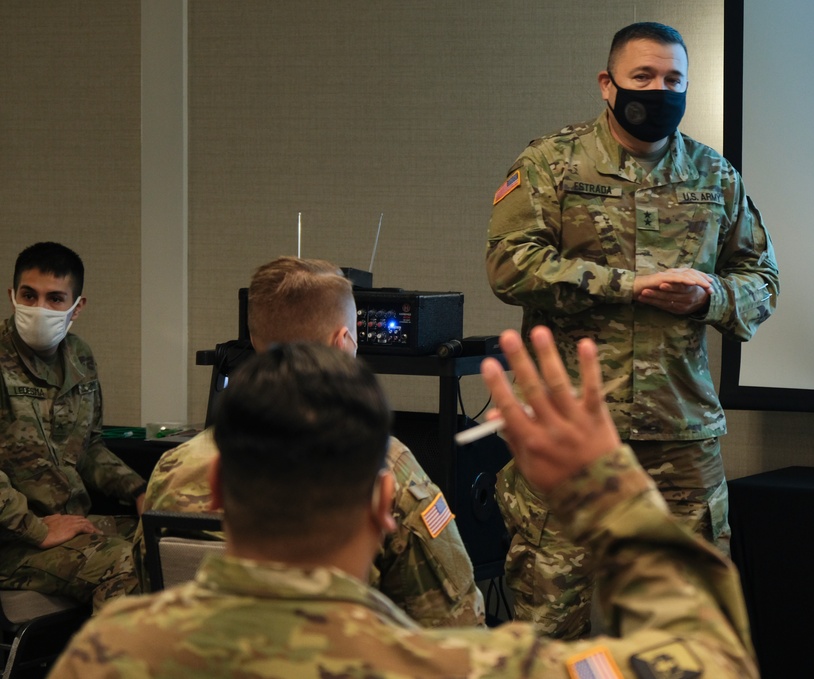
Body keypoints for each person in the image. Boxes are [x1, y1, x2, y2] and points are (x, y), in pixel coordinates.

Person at [50, 329, 758, 678]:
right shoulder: (455, 665)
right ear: (384, 500)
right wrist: (609, 491)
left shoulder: (107, 653)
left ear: (216, 491)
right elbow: (710, 657)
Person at [486, 21, 779, 638]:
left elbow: (761, 277)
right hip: (571, 431)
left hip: (679, 432)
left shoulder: (714, 175)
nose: (659, 89)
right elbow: (510, 265)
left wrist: (710, 296)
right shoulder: (552, 164)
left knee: (691, 625)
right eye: (643, 76)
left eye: (674, 80)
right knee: (548, 622)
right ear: (607, 83)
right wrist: (626, 285)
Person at [134, 256, 484, 627]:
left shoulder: (175, 466)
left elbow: (151, 589)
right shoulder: (385, 466)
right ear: (343, 341)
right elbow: (457, 626)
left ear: (254, 340)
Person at [0, 242, 146, 610]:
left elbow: (89, 448)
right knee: (125, 563)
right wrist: (36, 529)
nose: (39, 308)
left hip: (68, 523)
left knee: (169, 542)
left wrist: (140, 491)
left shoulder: (79, 356)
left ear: (76, 307)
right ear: (11, 296)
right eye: (29, 295)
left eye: (55, 299)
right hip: (12, 540)